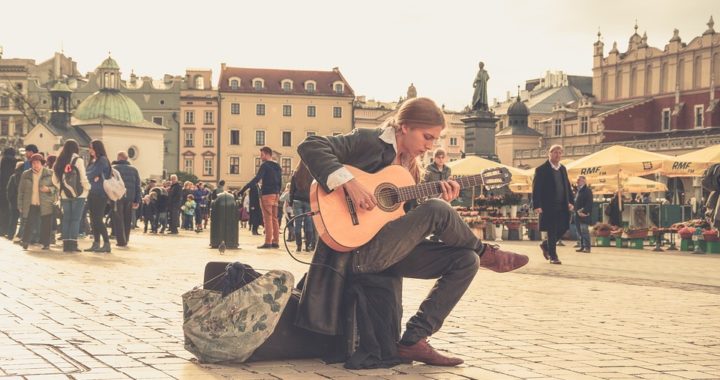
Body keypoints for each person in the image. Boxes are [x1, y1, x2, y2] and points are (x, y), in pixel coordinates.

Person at [297, 97, 528, 366]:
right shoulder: (368, 141)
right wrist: (350, 183)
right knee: (436, 209)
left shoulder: (411, 170)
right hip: (356, 253)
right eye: (427, 137)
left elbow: (403, 220)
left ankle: (414, 340)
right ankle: (489, 253)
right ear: (404, 127)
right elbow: (310, 146)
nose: (430, 146)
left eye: (434, 140)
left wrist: (443, 202)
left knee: (466, 260)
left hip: (387, 251)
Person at [532, 144, 574, 265]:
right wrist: (537, 205)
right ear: (549, 154)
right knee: (552, 230)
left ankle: (545, 245)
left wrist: (571, 201)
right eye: (555, 152)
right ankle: (553, 256)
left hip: (562, 204)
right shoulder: (541, 169)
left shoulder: (562, 169)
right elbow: (536, 188)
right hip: (548, 206)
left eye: (560, 152)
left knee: (564, 227)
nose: (558, 155)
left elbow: (567, 186)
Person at [51, 139, 91, 252]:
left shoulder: (59, 160)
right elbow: (83, 177)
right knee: (75, 219)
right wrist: (88, 188)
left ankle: (66, 245)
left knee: (67, 219)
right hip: (79, 194)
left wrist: (62, 187)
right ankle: (73, 244)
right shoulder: (78, 160)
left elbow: (54, 180)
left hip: (64, 194)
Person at [239, 147, 282, 249]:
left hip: (267, 194)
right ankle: (275, 241)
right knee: (275, 219)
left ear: (268, 154)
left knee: (267, 219)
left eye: (262, 155)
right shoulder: (278, 166)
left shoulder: (265, 165)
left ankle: (268, 242)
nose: (260, 157)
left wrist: (243, 189)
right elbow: (280, 182)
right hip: (276, 194)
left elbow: (257, 179)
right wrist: (278, 193)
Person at [17, 153, 56, 250]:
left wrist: (49, 189)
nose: (35, 165)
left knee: (46, 224)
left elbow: (57, 189)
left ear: (42, 163)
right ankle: (25, 241)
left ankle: (46, 243)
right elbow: (21, 191)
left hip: (46, 203)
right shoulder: (26, 174)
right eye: (33, 163)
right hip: (31, 203)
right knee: (29, 222)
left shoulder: (50, 173)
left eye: (38, 162)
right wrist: (20, 204)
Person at [85, 139, 112, 253]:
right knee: (93, 219)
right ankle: (96, 243)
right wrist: (92, 177)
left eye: (91, 147)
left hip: (100, 194)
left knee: (98, 219)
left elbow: (91, 174)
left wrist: (92, 177)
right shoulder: (93, 161)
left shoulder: (102, 160)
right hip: (92, 192)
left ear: (97, 148)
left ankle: (106, 243)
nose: (90, 150)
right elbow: (89, 174)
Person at [111, 151, 142, 247]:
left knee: (118, 218)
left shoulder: (114, 169)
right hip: (130, 197)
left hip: (117, 196)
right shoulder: (134, 170)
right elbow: (138, 186)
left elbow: (110, 183)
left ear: (119, 157)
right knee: (127, 219)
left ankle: (121, 240)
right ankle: (126, 238)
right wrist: (137, 200)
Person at [290, 161, 316, 252]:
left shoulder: (295, 174)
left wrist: (290, 202)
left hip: (297, 201)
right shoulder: (312, 174)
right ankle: (308, 245)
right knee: (308, 223)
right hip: (308, 201)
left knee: (297, 223)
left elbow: (292, 189)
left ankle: (298, 246)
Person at [0, 147, 18, 237]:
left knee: (2, 210)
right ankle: (8, 230)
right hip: (12, 189)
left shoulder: (2, 161)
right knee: (11, 211)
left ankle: (2, 230)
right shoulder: (15, 161)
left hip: (2, 188)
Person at [573, 176, 593, 253]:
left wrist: (584, 211)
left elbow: (589, 203)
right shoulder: (578, 191)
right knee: (579, 231)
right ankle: (582, 246)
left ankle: (587, 247)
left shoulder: (587, 190)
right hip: (577, 214)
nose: (577, 181)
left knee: (584, 231)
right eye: (577, 180)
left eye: (579, 180)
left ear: (584, 181)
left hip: (584, 215)